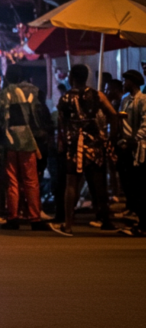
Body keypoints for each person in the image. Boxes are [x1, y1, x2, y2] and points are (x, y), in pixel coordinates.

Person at [53, 64, 119, 236]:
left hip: (74, 145)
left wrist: (64, 139)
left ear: (71, 78)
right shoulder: (97, 95)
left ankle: (68, 224)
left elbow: (61, 124)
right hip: (94, 143)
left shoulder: (65, 98)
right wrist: (111, 136)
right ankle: (106, 220)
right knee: (99, 183)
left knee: (71, 183)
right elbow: (113, 114)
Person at [0, 66, 50, 231]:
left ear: (7, 77)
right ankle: (34, 218)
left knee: (12, 181)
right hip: (29, 141)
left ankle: (13, 217)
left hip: (10, 141)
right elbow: (39, 115)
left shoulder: (5, 93)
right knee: (31, 181)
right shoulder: (33, 91)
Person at [116, 70, 146, 237]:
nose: (123, 83)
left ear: (133, 82)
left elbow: (145, 124)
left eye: (126, 80)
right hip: (126, 148)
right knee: (131, 186)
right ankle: (138, 219)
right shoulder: (125, 101)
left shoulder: (142, 100)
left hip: (138, 150)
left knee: (140, 186)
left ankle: (142, 224)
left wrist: (134, 139)